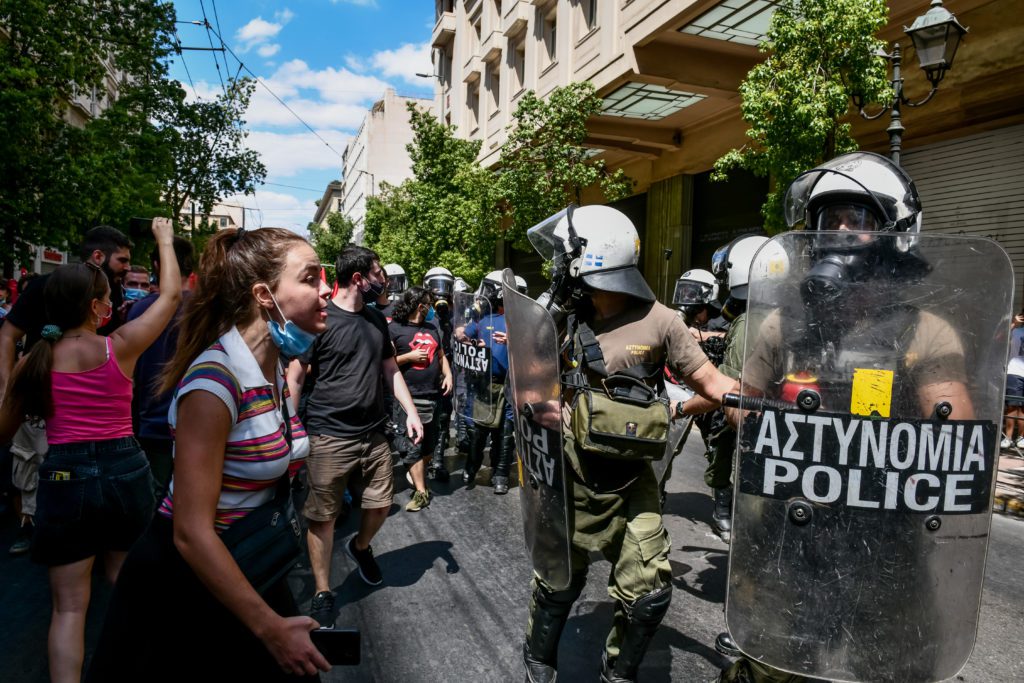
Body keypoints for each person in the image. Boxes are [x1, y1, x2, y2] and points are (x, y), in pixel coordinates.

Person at [716, 151, 980, 683]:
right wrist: (790, 424)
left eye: (856, 219)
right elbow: (741, 411)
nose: (837, 232)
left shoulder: (924, 331)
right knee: (771, 668)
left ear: (895, 234)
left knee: (893, 670)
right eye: (826, 219)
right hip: (789, 535)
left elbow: (957, 443)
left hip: (884, 547)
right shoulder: (782, 326)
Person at [86, 226, 331, 682]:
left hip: (244, 562)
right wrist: (270, 629)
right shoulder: (214, 384)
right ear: (264, 294)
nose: (326, 290)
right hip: (185, 583)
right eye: (311, 278)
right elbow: (191, 533)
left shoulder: (271, 365)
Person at [517, 205, 738, 683]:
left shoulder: (662, 321)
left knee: (649, 592)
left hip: (632, 476)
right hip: (570, 469)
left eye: (565, 254)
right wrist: (542, 404)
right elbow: (525, 374)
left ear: (591, 255)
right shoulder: (561, 316)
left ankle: (618, 670)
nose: (558, 264)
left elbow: (712, 383)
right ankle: (539, 655)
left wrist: (766, 404)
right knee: (559, 579)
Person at [0, 219, 179, 683]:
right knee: (129, 584)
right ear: (99, 308)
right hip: (125, 469)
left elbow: (3, 432)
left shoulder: (31, 363)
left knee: (69, 609)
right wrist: (163, 240)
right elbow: (172, 297)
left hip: (63, 477)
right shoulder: (119, 347)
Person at [288, 245, 423, 629]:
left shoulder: (377, 321)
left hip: (374, 434)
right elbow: (296, 375)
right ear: (360, 279)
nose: (385, 281)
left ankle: (360, 547)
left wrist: (411, 412)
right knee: (323, 518)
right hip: (328, 435)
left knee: (380, 505)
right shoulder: (320, 318)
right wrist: (289, 425)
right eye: (379, 273)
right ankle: (322, 591)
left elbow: (391, 370)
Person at [128, 236, 195, 500]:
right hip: (198, 424)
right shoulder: (206, 311)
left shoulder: (138, 312)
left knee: (152, 500)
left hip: (152, 425)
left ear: (157, 264)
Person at [389, 286, 453, 510]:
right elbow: (386, 364)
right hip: (409, 398)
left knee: (430, 446)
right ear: (419, 305)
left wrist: (449, 374)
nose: (431, 307)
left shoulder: (432, 328)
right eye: (428, 303)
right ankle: (421, 492)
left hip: (434, 396)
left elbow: (441, 356)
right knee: (414, 446)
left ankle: (415, 474)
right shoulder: (395, 329)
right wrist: (410, 356)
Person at [457, 271, 516, 495]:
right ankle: (471, 468)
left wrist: (514, 340)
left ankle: (500, 474)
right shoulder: (484, 320)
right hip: (482, 385)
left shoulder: (516, 322)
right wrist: (468, 338)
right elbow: (460, 333)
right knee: (477, 433)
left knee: (504, 433)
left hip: (508, 385)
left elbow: (534, 348)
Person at [424, 266, 457, 482]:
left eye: (445, 286)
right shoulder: (420, 312)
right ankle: (422, 460)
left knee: (444, 416)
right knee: (425, 417)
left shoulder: (456, 314)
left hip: (447, 371)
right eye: (436, 286)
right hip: (425, 372)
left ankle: (438, 460)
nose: (441, 291)